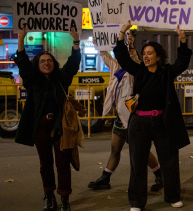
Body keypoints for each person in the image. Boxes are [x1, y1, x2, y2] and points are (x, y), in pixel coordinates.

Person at [114, 21, 192, 211]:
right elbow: (122, 57)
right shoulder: (139, 70)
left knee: (170, 161)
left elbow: (182, 62)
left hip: (163, 122)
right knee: (137, 163)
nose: (145, 56)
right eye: (144, 53)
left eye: (150, 53)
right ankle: (136, 202)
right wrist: (122, 33)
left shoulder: (166, 72)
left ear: (158, 57)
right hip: (139, 122)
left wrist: (182, 39)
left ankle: (173, 196)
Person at [87, 30, 163, 192]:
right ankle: (105, 178)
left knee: (141, 150)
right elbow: (104, 54)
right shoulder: (115, 65)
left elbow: (132, 58)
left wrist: (131, 48)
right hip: (119, 116)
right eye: (125, 39)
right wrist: (98, 43)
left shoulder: (137, 64)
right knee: (115, 148)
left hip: (133, 115)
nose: (127, 41)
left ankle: (159, 174)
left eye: (130, 39)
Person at [14, 26, 81, 211]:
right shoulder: (31, 79)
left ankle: (65, 199)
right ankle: (49, 196)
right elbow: (22, 63)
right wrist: (21, 39)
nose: (46, 63)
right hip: (40, 129)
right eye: (42, 61)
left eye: (49, 60)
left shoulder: (62, 78)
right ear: (38, 63)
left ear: (54, 63)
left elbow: (73, 63)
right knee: (45, 164)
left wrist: (75, 41)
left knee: (62, 163)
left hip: (60, 128)